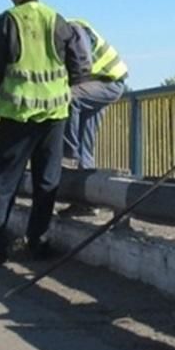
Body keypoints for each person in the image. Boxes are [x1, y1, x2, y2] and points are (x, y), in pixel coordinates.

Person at [0, 0, 91, 265]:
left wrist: (2, 91)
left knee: (2, 182)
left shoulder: (5, 21)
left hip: (18, 114)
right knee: (47, 181)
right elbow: (80, 65)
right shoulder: (57, 20)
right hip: (55, 114)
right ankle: (38, 243)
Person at [58, 17, 128, 217]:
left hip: (107, 82)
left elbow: (82, 62)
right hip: (100, 84)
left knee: (69, 99)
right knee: (85, 143)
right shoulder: (66, 31)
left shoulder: (72, 29)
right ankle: (85, 201)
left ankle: (68, 156)